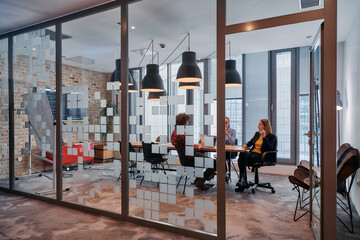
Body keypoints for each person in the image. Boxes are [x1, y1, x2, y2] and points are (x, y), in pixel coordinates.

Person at [171, 113, 216, 190]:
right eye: (187, 122)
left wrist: (196, 146)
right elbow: (190, 150)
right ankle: (200, 180)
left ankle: (202, 177)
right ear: (183, 123)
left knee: (203, 156)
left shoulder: (174, 132)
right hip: (190, 159)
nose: (188, 123)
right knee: (215, 163)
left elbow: (186, 146)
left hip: (184, 160)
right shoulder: (182, 134)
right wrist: (199, 147)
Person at [235, 119, 276, 192]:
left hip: (262, 156)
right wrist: (246, 145)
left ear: (265, 126)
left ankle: (243, 181)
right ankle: (243, 181)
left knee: (242, 157)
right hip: (252, 154)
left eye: (260, 124)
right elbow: (251, 142)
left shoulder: (271, 136)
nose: (258, 126)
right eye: (258, 124)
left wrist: (264, 137)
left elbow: (269, 148)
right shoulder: (257, 134)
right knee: (242, 156)